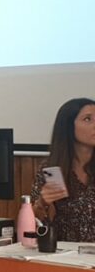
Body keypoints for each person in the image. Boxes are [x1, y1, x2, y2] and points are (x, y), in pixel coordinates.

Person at [31, 97, 95, 242]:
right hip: (64, 255)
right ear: (68, 127)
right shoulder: (50, 169)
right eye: (87, 119)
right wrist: (42, 203)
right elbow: (33, 226)